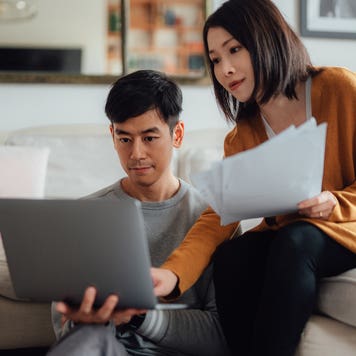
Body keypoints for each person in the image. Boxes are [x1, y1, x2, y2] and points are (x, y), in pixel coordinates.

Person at [151, 1, 356, 356]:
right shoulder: (241, 137)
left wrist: (334, 203)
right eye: (215, 59)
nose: (225, 69)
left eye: (234, 50)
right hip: (294, 238)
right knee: (234, 256)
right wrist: (172, 274)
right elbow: (218, 217)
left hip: (346, 226)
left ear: (267, 40)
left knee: (297, 239)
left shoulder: (338, 89)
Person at [48, 69, 230, 356]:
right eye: (125, 139)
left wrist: (138, 316)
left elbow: (222, 335)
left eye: (149, 138)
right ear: (112, 135)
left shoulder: (215, 218)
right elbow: (63, 328)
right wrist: (85, 322)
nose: (136, 154)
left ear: (177, 134)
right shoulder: (85, 214)